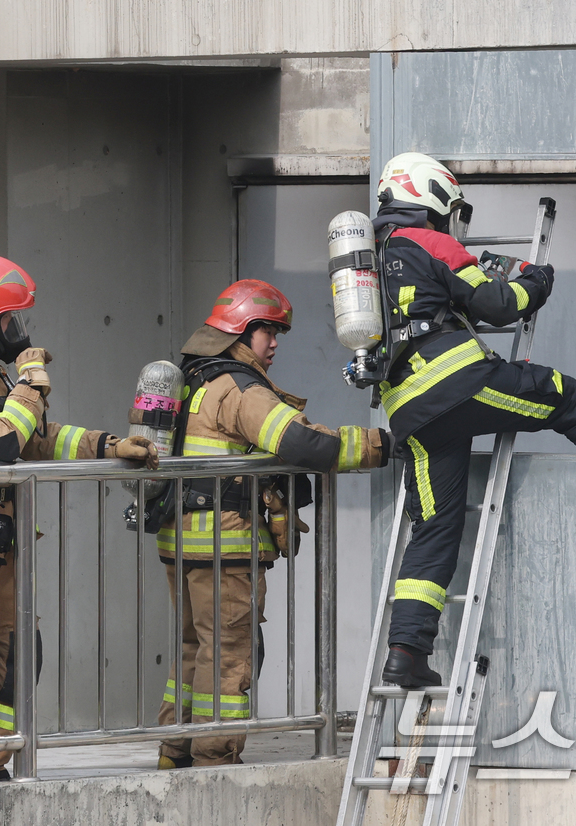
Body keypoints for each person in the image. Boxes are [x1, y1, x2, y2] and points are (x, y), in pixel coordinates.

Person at [372, 152, 576, 688]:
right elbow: (500, 304)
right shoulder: (430, 242)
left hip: (409, 411)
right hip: (459, 385)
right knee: (564, 394)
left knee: (435, 530)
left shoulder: (371, 261)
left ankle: (405, 654)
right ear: (430, 199)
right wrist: (538, 280)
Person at [0, 254, 158, 781]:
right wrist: (32, 385)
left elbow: (35, 437)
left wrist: (109, 445)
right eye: (11, 320)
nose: (18, 332)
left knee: (15, 653)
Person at [154, 280, 390, 768]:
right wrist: (381, 445)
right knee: (230, 655)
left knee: (192, 650)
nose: (276, 343)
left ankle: (174, 751)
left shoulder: (194, 378)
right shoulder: (240, 387)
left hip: (184, 543)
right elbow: (303, 444)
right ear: (241, 331)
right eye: (268, 332)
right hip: (226, 544)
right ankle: (215, 760)